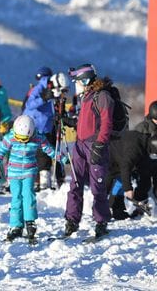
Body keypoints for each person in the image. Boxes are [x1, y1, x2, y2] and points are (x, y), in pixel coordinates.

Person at [0, 115, 66, 241]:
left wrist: (61, 158)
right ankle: (15, 225)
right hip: (14, 173)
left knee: (28, 195)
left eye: (25, 139)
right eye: (19, 138)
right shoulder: (10, 138)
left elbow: (49, 150)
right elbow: (1, 151)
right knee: (16, 198)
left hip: (29, 172)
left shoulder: (38, 138)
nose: (22, 141)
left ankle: (30, 221)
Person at [64, 64, 114, 238]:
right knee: (75, 184)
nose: (75, 85)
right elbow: (87, 121)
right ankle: (71, 221)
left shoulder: (102, 96)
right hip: (80, 145)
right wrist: (72, 123)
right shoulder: (86, 96)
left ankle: (101, 222)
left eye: (77, 81)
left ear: (85, 80)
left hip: (95, 145)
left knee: (97, 186)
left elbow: (106, 123)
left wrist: (100, 144)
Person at [107, 130, 157, 219]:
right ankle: (100, 211)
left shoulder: (145, 143)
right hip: (110, 157)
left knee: (123, 181)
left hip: (122, 158)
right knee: (107, 185)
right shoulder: (134, 148)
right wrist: (128, 189)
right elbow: (125, 167)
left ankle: (118, 210)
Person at [22, 66, 56, 190]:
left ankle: (41, 181)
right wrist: (43, 99)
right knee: (39, 154)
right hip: (37, 126)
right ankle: (38, 181)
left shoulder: (50, 89)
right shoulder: (39, 89)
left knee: (42, 154)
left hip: (44, 126)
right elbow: (29, 104)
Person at [133, 100, 157, 201]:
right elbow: (134, 148)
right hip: (144, 162)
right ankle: (139, 204)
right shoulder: (142, 128)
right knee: (144, 184)